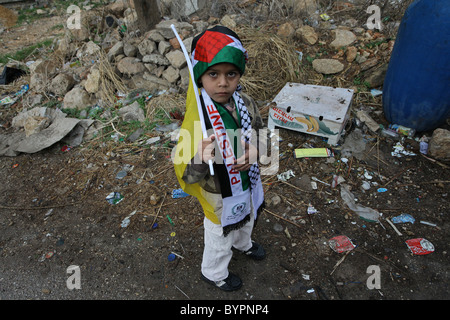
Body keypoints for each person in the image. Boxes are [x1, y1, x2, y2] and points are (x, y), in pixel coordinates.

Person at [173, 25, 265, 291]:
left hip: (247, 182)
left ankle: (243, 244)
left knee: (247, 215)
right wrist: (201, 157)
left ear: (240, 75)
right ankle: (213, 271)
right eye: (213, 73)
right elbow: (187, 174)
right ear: (200, 74)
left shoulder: (245, 103)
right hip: (217, 192)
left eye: (231, 74)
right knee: (219, 233)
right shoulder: (197, 118)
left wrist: (257, 151)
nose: (223, 82)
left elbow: (260, 133)